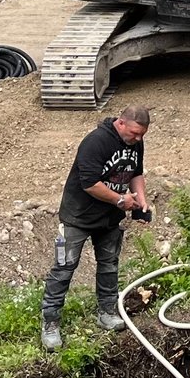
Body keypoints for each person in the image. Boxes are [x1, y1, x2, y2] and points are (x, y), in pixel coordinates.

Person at [40, 105, 152, 350]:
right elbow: (90, 183)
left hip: (109, 218)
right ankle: (50, 322)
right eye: (134, 132)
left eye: (142, 134)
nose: (138, 138)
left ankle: (107, 312)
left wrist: (140, 199)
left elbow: (137, 172)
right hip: (77, 217)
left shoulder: (135, 143)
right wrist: (120, 200)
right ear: (121, 123)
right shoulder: (96, 141)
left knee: (109, 265)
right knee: (63, 267)